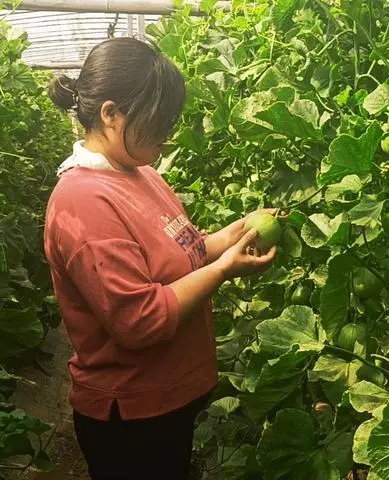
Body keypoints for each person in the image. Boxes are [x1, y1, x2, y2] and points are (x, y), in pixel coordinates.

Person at [44, 37, 276, 479]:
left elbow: (183, 253)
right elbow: (138, 319)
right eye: (158, 122)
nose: (166, 136)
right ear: (111, 114)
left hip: (167, 402)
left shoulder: (140, 173)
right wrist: (225, 270)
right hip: (132, 416)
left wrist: (233, 234)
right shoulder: (83, 202)